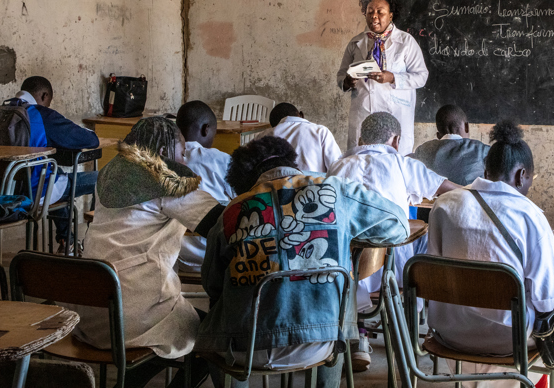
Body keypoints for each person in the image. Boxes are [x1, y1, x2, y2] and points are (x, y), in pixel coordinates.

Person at [196, 135, 409, 388]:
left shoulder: (232, 209)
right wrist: (346, 231)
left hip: (246, 348)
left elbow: (212, 285)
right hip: (321, 342)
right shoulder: (334, 189)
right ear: (290, 161)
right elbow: (399, 226)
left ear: (245, 182)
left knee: (213, 320)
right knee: (340, 305)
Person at [73, 117, 222, 388]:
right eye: (182, 152)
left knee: (167, 330)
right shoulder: (167, 180)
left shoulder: (110, 171)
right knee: (215, 338)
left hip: (91, 306)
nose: (185, 160)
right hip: (135, 311)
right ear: (164, 153)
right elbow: (221, 225)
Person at [426, 121, 554, 384]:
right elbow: (546, 298)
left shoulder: (444, 205)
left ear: (486, 170)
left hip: (449, 333)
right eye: (530, 181)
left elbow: (432, 272)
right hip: (509, 341)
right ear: (522, 175)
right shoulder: (529, 215)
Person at [327, 112, 459, 371]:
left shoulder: (338, 167)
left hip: (344, 275)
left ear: (360, 138)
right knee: (429, 235)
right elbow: (448, 188)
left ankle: (358, 332)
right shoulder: (401, 163)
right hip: (391, 272)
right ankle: (414, 332)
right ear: (396, 141)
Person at [0, 76, 99, 254]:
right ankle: (73, 243)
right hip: (32, 195)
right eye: (48, 102)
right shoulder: (41, 115)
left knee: (55, 174)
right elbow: (89, 139)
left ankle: (69, 241)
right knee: (101, 177)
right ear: (44, 96)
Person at [336, 0, 429, 155]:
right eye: (370, 11)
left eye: (380, 12)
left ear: (391, 15)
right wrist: (347, 81)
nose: (374, 16)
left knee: (395, 163)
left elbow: (421, 77)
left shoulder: (406, 42)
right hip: (364, 112)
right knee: (361, 160)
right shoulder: (356, 43)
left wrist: (392, 78)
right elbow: (341, 75)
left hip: (396, 113)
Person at [175, 100, 236, 271]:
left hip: (176, 253)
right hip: (215, 254)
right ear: (205, 129)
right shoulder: (220, 160)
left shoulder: (165, 161)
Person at [413, 104, 490, 185]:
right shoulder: (482, 150)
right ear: (467, 127)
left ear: (438, 135)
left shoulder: (422, 151)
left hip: (435, 198)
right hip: (472, 197)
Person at [255, 102, 342, 173]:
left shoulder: (261, 137)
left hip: (273, 192)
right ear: (301, 115)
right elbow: (337, 169)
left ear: (274, 125)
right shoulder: (320, 131)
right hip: (314, 190)